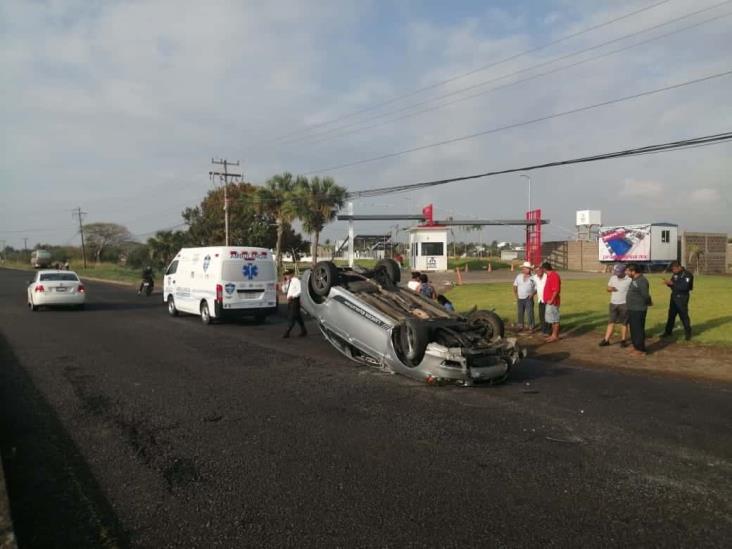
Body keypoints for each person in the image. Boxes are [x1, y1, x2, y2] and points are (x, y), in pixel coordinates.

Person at [599, 263, 631, 347]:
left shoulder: (629, 279)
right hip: (613, 303)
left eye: (619, 273)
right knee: (611, 322)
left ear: (624, 271)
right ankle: (606, 340)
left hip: (624, 304)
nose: (617, 275)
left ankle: (623, 340)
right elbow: (608, 288)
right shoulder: (613, 277)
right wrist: (611, 289)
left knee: (624, 323)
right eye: (616, 272)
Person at [661, 261, 693, 340]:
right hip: (674, 296)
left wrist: (672, 284)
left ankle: (688, 333)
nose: (673, 271)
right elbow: (673, 284)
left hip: (682, 297)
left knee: (683, 315)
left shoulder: (687, 275)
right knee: (671, 315)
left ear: (679, 267)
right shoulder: (675, 274)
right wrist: (668, 283)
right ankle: (668, 332)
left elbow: (684, 287)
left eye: (674, 269)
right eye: (672, 270)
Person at [625, 263, 651, 356]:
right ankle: (636, 346)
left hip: (639, 309)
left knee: (638, 329)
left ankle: (641, 350)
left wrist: (648, 302)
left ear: (633, 271)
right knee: (634, 329)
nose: (626, 272)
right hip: (632, 308)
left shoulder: (642, 281)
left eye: (627, 270)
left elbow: (646, 295)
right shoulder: (634, 280)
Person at [282, 269, 307, 338]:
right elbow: (284, 291)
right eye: (286, 274)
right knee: (297, 316)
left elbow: (300, 290)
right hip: (290, 301)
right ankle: (304, 330)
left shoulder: (296, 280)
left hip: (295, 300)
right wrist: (284, 283)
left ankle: (287, 332)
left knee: (291, 317)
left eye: (288, 274)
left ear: (292, 274)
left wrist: (292, 296)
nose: (287, 275)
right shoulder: (288, 281)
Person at [512, 261, 536, 332]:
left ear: (530, 269)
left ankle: (531, 327)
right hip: (520, 298)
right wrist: (516, 295)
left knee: (530, 313)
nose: (525, 270)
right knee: (520, 312)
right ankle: (520, 326)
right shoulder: (519, 276)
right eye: (524, 268)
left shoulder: (533, 278)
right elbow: (515, 285)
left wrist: (532, 294)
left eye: (527, 268)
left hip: (528, 298)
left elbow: (536, 288)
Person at [542, 262, 561, 343]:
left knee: (555, 319)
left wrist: (551, 300)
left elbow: (555, 290)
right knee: (552, 320)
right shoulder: (549, 276)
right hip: (549, 302)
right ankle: (553, 335)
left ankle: (555, 336)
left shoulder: (553, 276)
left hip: (552, 302)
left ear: (545, 269)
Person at [532, 263, 549, 335]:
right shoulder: (534, 277)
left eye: (540, 270)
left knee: (548, 316)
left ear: (542, 270)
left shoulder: (547, 276)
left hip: (547, 299)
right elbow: (535, 288)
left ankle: (548, 331)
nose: (538, 272)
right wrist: (532, 294)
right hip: (540, 299)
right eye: (536, 271)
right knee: (541, 315)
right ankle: (543, 330)